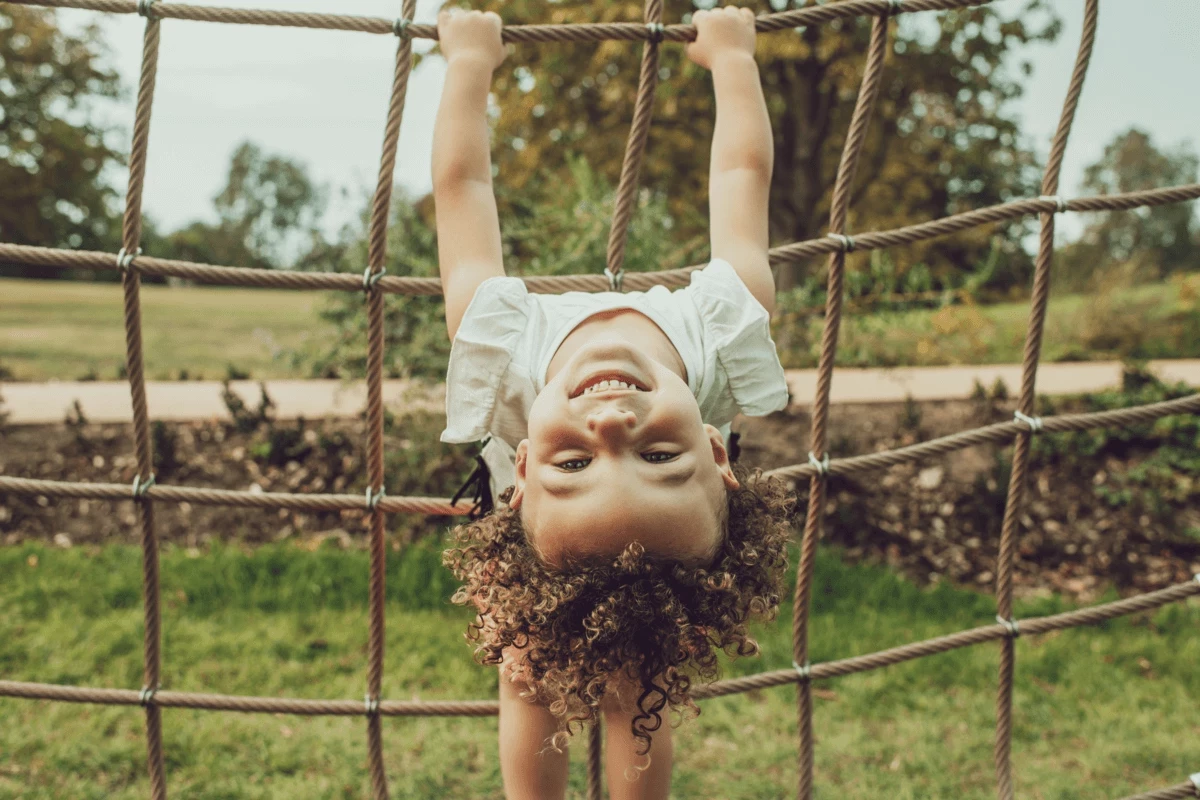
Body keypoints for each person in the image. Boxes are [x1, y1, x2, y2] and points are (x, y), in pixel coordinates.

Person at [432, 6, 795, 798]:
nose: (610, 425)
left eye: (576, 459)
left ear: (524, 461)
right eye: (660, 455)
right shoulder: (721, 323)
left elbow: (464, 191)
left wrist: (467, 66)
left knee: (620, 684)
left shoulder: (504, 344)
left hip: (541, 539)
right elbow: (742, 178)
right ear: (716, 450)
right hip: (577, 539)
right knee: (543, 672)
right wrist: (735, 62)